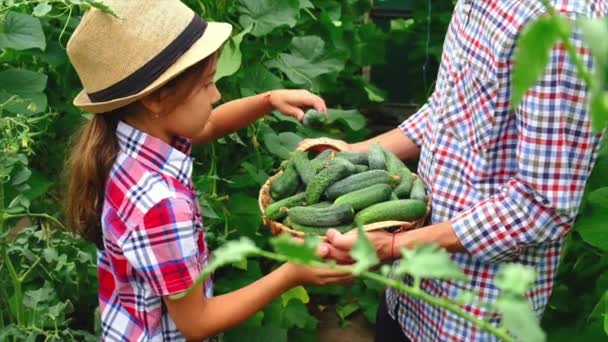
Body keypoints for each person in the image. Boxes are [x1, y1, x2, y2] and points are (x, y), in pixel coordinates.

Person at [312, 0, 607, 341]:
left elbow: (541, 206)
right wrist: (349, 155)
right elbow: (446, 111)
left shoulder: (562, 26)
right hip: (407, 293)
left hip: (470, 315)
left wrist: (394, 246)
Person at [63, 1, 352, 340]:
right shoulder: (160, 204)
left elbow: (207, 125)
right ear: (156, 99)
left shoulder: (123, 139)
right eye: (206, 84)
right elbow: (197, 322)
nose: (216, 95)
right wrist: (292, 273)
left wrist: (267, 100)